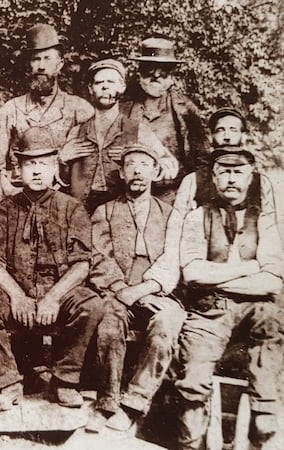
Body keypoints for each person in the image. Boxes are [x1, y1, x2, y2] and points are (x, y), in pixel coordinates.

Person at [0, 129, 106, 411]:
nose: (37, 171)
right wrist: (17, 296)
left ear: (55, 167)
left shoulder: (72, 208)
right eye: (30, 164)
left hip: (61, 290)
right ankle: (8, 384)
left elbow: (81, 264)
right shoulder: (2, 210)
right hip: (16, 291)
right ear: (18, 170)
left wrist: (53, 297)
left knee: (91, 305)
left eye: (43, 163)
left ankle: (64, 381)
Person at [174, 147, 284, 449]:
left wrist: (222, 276)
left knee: (270, 320)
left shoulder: (264, 220)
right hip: (209, 310)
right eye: (224, 172)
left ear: (251, 178)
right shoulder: (198, 217)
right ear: (213, 176)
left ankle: (264, 413)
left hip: (252, 309)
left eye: (238, 172)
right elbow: (193, 274)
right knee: (195, 372)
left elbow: (273, 281)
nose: (231, 179)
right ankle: (191, 440)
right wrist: (249, 268)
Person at [86, 144, 185, 432]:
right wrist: (121, 288)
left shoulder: (170, 215)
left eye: (144, 164)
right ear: (121, 173)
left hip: (159, 292)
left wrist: (145, 290)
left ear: (156, 172)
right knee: (109, 323)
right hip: (118, 290)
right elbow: (97, 256)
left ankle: (133, 404)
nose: (138, 170)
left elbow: (174, 258)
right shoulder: (105, 211)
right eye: (131, 165)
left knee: (166, 323)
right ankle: (107, 403)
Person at [60, 58, 178, 213]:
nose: (105, 86)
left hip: (122, 212)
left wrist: (139, 159)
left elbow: (169, 166)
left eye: (111, 82)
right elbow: (62, 179)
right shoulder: (77, 132)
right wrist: (62, 159)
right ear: (90, 88)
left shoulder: (138, 130)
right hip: (81, 210)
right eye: (98, 82)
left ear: (122, 87)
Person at [0, 23, 93, 203]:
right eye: (35, 59)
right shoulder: (11, 110)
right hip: (18, 201)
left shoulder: (80, 110)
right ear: (28, 65)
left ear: (59, 64)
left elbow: (89, 169)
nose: (41, 66)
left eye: (47, 58)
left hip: (65, 202)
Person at [121, 37, 210, 203]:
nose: (156, 75)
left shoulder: (185, 110)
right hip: (131, 196)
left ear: (172, 76)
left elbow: (203, 159)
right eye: (149, 69)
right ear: (139, 72)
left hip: (174, 196)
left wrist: (196, 196)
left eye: (163, 70)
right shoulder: (124, 108)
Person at [173, 107, 276, 216]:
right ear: (211, 137)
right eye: (220, 130)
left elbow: (270, 225)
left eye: (233, 130)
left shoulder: (260, 182)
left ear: (243, 136)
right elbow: (177, 225)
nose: (227, 137)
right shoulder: (192, 181)